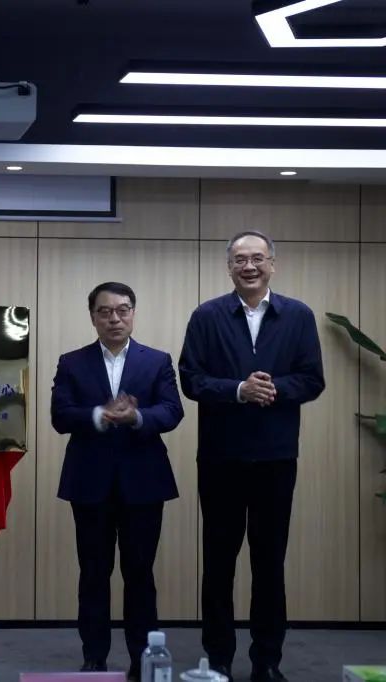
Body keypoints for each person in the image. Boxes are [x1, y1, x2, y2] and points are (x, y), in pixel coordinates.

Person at [179, 231, 325, 682]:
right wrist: (239, 390)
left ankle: (267, 660)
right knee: (219, 563)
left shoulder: (298, 315)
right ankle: (218, 658)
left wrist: (274, 389)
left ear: (272, 264)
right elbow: (190, 379)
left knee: (269, 563)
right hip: (220, 459)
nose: (249, 266)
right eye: (240, 259)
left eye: (257, 258)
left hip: (276, 459)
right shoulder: (207, 316)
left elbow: (312, 379)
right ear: (229, 267)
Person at [51, 282, 183, 682]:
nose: (115, 318)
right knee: (93, 572)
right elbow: (60, 415)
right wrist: (100, 415)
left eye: (123, 310)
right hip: (89, 482)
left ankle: (142, 659)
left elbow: (172, 411)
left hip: (144, 482)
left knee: (140, 573)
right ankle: (94, 657)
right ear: (93, 317)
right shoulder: (72, 362)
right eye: (105, 311)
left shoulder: (156, 360)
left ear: (133, 314)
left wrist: (137, 418)